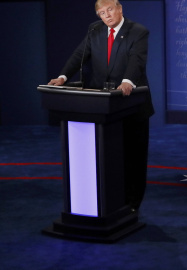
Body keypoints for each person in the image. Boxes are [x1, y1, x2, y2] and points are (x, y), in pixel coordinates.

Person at [48, 0, 154, 211]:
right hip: (102, 108)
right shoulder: (95, 30)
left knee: (133, 158)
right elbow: (80, 55)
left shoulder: (138, 31)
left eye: (110, 10)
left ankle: (133, 204)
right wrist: (62, 77)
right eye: (102, 13)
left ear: (120, 9)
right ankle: (110, 201)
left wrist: (128, 81)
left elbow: (137, 60)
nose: (107, 15)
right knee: (108, 159)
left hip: (131, 104)